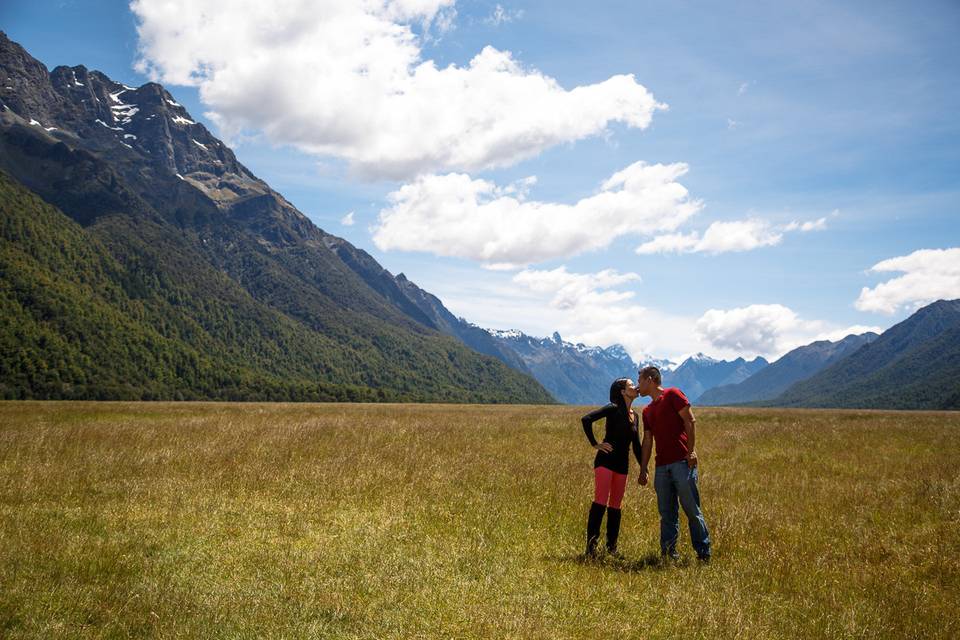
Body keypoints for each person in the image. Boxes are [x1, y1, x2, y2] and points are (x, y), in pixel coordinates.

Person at [636, 365, 711, 562]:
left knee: (692, 510)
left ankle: (703, 554)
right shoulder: (647, 410)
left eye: (639, 381)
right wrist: (643, 469)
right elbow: (647, 440)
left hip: (681, 462)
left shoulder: (673, 394)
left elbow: (690, 421)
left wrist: (691, 451)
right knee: (667, 513)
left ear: (650, 380)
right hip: (661, 467)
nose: (638, 386)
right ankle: (669, 555)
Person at [580, 378, 642, 557]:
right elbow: (586, 419)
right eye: (631, 385)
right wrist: (595, 444)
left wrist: (643, 467)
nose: (635, 387)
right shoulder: (613, 407)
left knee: (616, 505)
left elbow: (636, 445)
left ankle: (611, 548)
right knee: (600, 501)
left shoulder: (635, 415)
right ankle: (591, 548)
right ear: (622, 391)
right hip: (605, 462)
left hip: (623, 465)